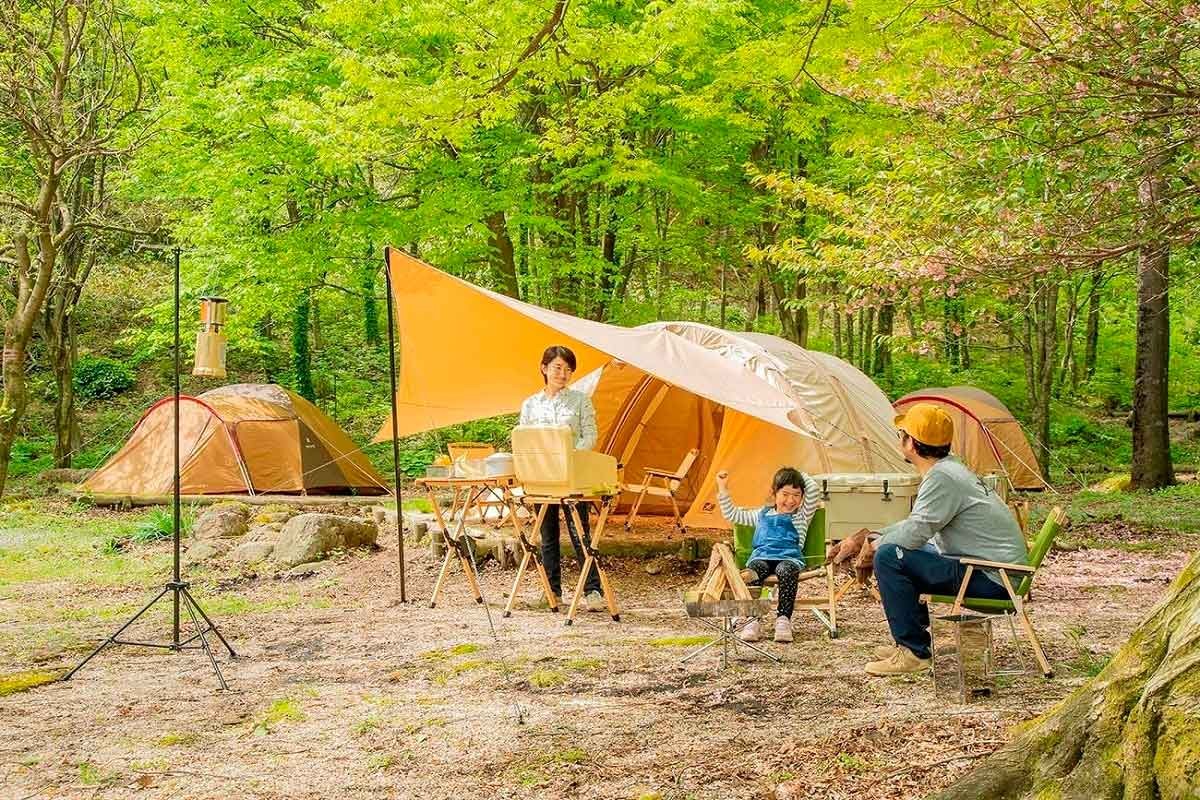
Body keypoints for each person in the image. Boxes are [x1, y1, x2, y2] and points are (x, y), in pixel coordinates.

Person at [846, 402, 1029, 676]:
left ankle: (913, 653)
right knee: (896, 551)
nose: (900, 439)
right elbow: (916, 525)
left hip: (994, 579)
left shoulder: (943, 477)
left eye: (902, 434)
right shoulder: (948, 470)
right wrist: (876, 536)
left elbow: (915, 533)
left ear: (912, 443)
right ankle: (909, 641)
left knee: (889, 557)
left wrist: (873, 547)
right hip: (993, 571)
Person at [518, 345, 605, 612]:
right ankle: (551, 592)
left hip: (572, 475)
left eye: (568, 369)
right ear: (544, 368)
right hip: (541, 477)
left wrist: (570, 454)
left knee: (580, 534)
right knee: (548, 535)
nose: (563, 373)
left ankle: (593, 591)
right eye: (558, 367)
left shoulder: (580, 400)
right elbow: (525, 438)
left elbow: (590, 435)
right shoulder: (530, 404)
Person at [716, 467, 820, 643]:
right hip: (762, 557)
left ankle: (783, 621)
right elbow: (731, 514)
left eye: (796, 495)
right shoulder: (760, 514)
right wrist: (722, 487)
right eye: (785, 494)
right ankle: (752, 620)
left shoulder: (802, 515)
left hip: (789, 559)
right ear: (774, 493)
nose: (790, 500)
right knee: (753, 572)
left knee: (786, 570)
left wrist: (795, 473)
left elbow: (814, 488)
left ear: (802, 497)